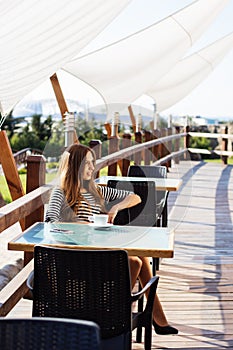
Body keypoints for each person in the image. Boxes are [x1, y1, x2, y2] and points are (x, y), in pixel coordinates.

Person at [45, 143, 178, 335]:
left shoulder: (95, 191)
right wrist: (85, 226)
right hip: (74, 257)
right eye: (87, 164)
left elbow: (135, 197)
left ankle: (149, 317)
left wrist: (115, 208)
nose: (92, 168)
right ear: (75, 165)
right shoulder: (60, 192)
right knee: (133, 261)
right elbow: (51, 222)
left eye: (93, 163)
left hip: (96, 252)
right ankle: (117, 314)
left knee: (139, 259)